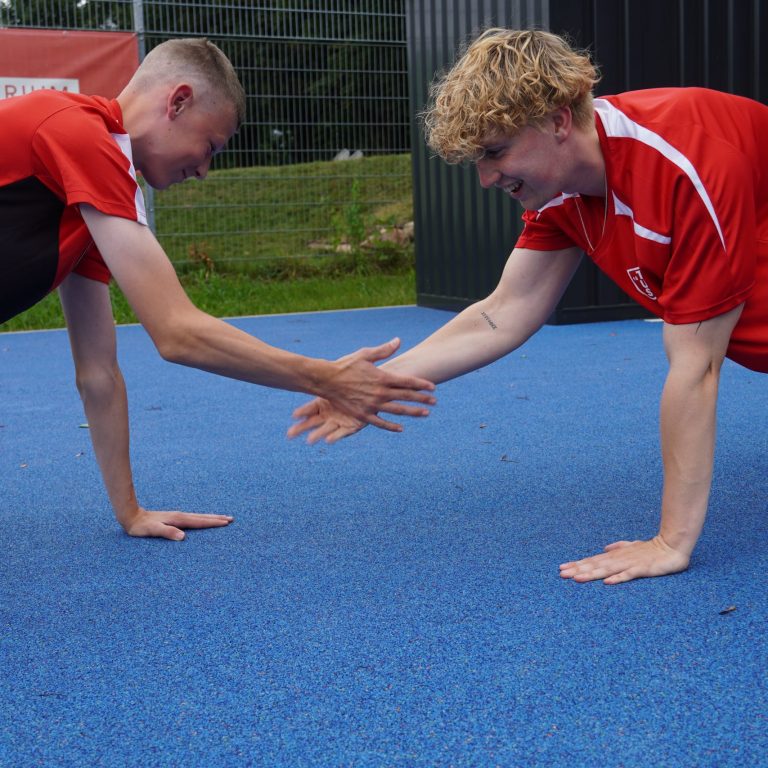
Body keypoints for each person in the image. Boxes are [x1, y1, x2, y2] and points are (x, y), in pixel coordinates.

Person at [288, 27, 768, 585]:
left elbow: (697, 366)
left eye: (495, 152)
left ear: (559, 121)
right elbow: (503, 312)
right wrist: (373, 383)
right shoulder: (561, 190)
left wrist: (670, 541)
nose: (486, 178)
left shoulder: (687, 160)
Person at [0, 37, 435, 541]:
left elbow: (98, 374)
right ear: (178, 101)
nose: (205, 171)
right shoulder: (74, 130)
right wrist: (326, 378)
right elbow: (176, 332)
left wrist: (131, 512)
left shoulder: (92, 201)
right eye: (210, 147)